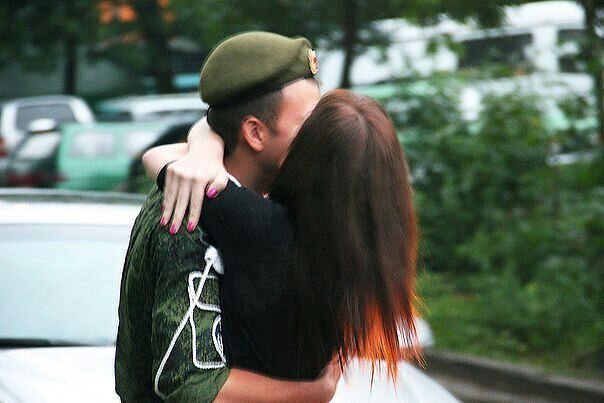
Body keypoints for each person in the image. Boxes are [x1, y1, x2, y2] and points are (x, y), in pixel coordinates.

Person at [115, 32, 340, 402]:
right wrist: (313, 392)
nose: (321, 136)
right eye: (307, 125)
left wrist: (205, 139)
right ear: (255, 133)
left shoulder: (261, 196)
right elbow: (190, 385)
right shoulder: (187, 214)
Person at [145, 89, 421, 388]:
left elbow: (158, 158)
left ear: (307, 156)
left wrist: (206, 151)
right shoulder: (381, 254)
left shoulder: (262, 226)